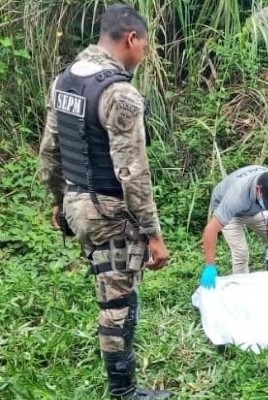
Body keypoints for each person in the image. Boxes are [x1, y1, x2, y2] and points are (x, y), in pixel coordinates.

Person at [39, 4, 172, 400]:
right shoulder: (119, 92)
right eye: (143, 46)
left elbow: (50, 151)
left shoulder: (64, 80)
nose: (142, 55)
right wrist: (153, 234)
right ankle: (124, 391)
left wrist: (59, 201)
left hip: (78, 203)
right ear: (131, 38)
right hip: (109, 212)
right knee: (118, 304)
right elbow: (133, 172)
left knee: (110, 291)